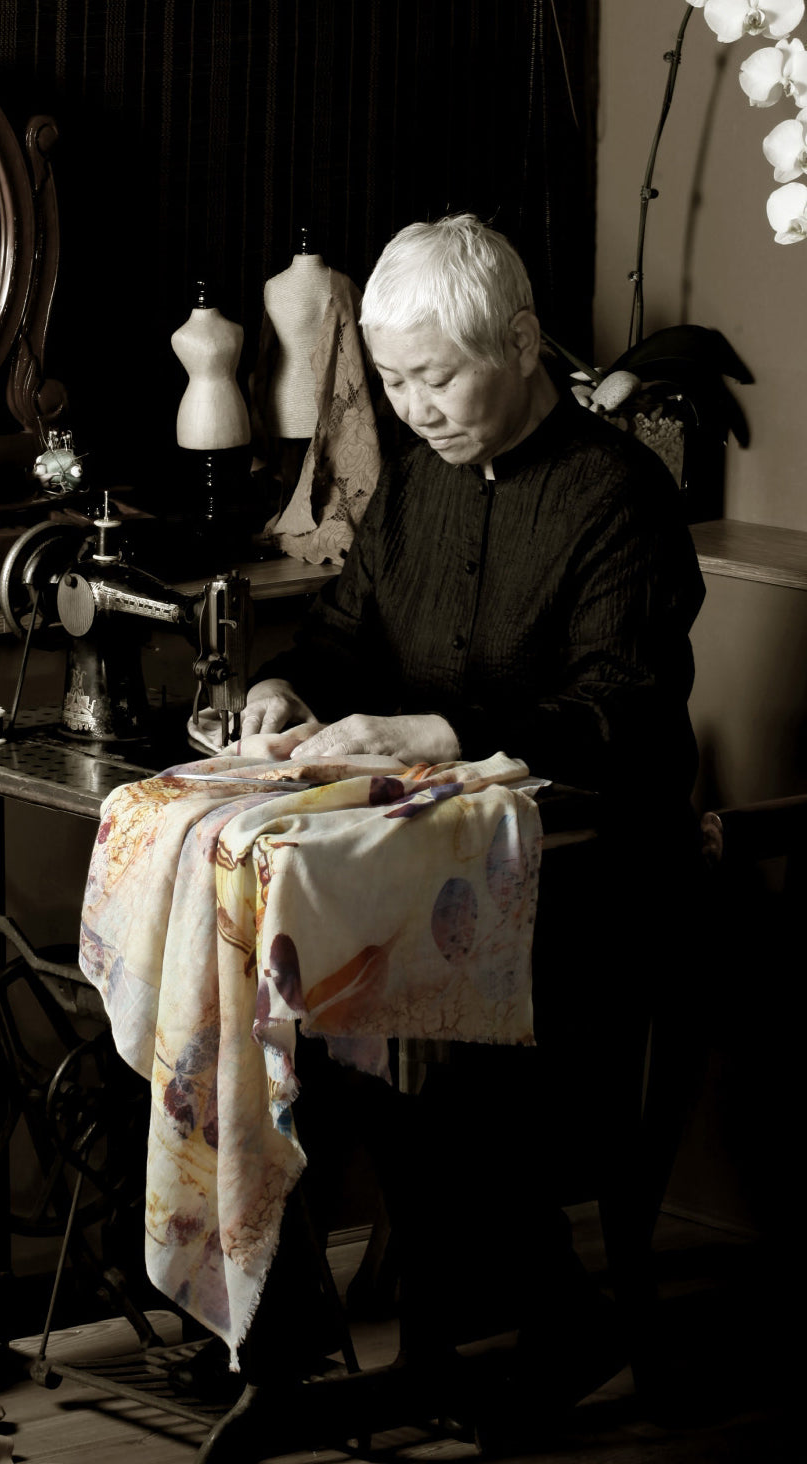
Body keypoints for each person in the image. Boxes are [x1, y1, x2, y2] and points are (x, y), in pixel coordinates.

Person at [238, 214, 707, 1444]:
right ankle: (281, 1342)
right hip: (438, 885)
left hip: (594, 897)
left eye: (435, 378)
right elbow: (347, 638)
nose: (414, 408)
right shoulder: (415, 481)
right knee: (254, 998)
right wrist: (287, 685)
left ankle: (543, 1321)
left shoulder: (620, 496)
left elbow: (621, 711)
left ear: (520, 340)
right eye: (393, 383)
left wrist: (440, 731)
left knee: (408, 1032)